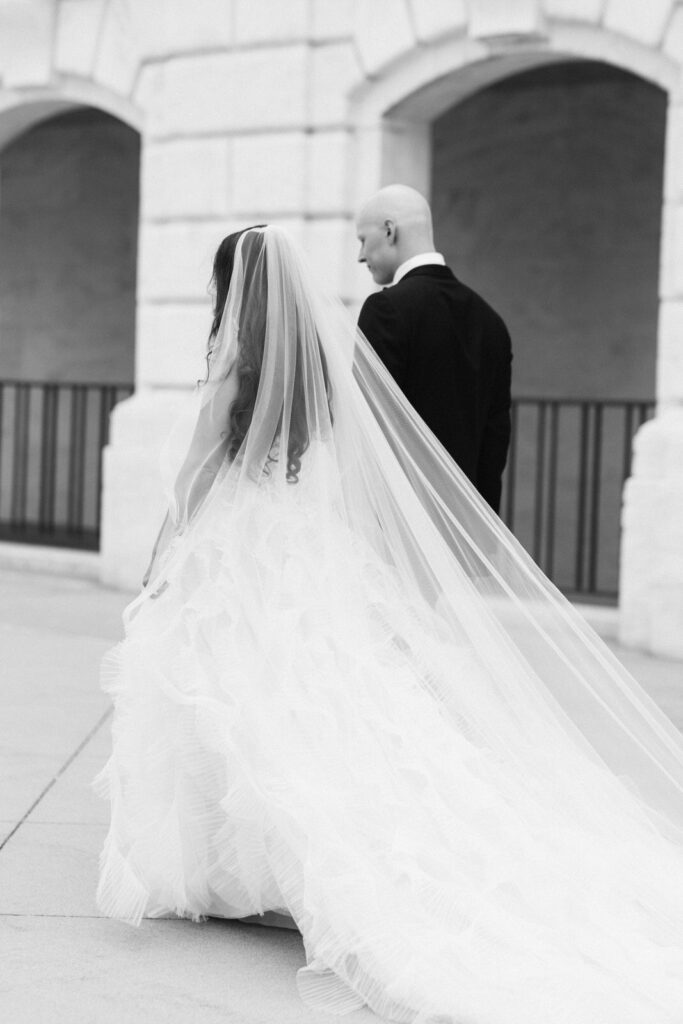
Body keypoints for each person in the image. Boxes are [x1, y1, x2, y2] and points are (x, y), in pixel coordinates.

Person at [96, 225, 683, 1024]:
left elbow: (200, 472)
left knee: (228, 699)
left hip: (239, 545)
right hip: (302, 542)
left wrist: (165, 559)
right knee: (304, 704)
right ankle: (257, 874)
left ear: (238, 291)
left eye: (218, 284)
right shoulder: (319, 369)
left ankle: (245, 875)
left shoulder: (237, 365)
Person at [357, 184, 512, 513]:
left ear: (389, 230)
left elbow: (368, 428)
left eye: (362, 240)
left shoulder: (385, 310)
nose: (360, 256)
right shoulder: (491, 322)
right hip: (466, 528)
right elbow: (494, 446)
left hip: (400, 522)